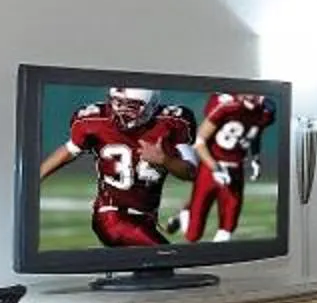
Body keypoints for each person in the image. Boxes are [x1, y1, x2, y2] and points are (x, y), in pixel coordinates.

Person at [34, 87, 196, 246]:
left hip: (146, 218)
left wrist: (165, 160)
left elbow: (191, 172)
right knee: (164, 258)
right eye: (117, 103)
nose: (121, 111)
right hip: (111, 217)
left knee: (152, 269)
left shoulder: (173, 122)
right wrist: (35, 177)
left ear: (151, 106)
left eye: (131, 106)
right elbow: (70, 150)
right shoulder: (96, 120)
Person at [178, 90, 277, 241]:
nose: (257, 96)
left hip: (236, 168)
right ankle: (186, 210)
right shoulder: (226, 106)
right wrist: (215, 167)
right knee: (193, 235)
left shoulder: (265, 111)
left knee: (228, 228)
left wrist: (255, 157)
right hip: (211, 167)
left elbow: (256, 131)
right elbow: (199, 141)